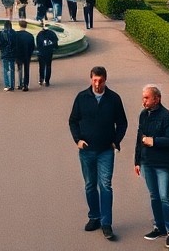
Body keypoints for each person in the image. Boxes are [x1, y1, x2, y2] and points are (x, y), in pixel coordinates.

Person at [69, 66, 128, 240]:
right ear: (90, 79)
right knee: (89, 185)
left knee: (106, 185)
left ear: (105, 80)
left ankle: (106, 223)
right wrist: (77, 140)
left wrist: (115, 141)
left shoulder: (114, 99)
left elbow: (123, 123)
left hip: (105, 151)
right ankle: (94, 216)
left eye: (100, 81)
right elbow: (73, 121)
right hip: (86, 150)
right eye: (94, 80)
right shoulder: (82, 97)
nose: (97, 84)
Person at [134, 84, 169, 247]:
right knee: (154, 196)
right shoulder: (143, 115)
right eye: (143, 98)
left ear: (157, 99)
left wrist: (153, 141)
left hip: (164, 164)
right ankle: (159, 227)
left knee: (164, 197)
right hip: (147, 162)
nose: (144, 101)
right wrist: (137, 161)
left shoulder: (167, 116)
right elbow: (139, 137)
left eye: (147, 98)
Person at [13, 20, 36, 91]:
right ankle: (25, 84)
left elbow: (13, 45)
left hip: (18, 54)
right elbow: (33, 46)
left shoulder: (15, 35)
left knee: (19, 69)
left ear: (19, 25)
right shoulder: (30, 35)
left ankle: (19, 84)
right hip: (27, 54)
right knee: (26, 69)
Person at [0, 20, 17, 91]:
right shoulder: (14, 33)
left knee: (5, 69)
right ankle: (12, 85)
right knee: (12, 69)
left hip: (4, 53)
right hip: (12, 53)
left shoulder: (1, 33)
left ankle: (6, 85)